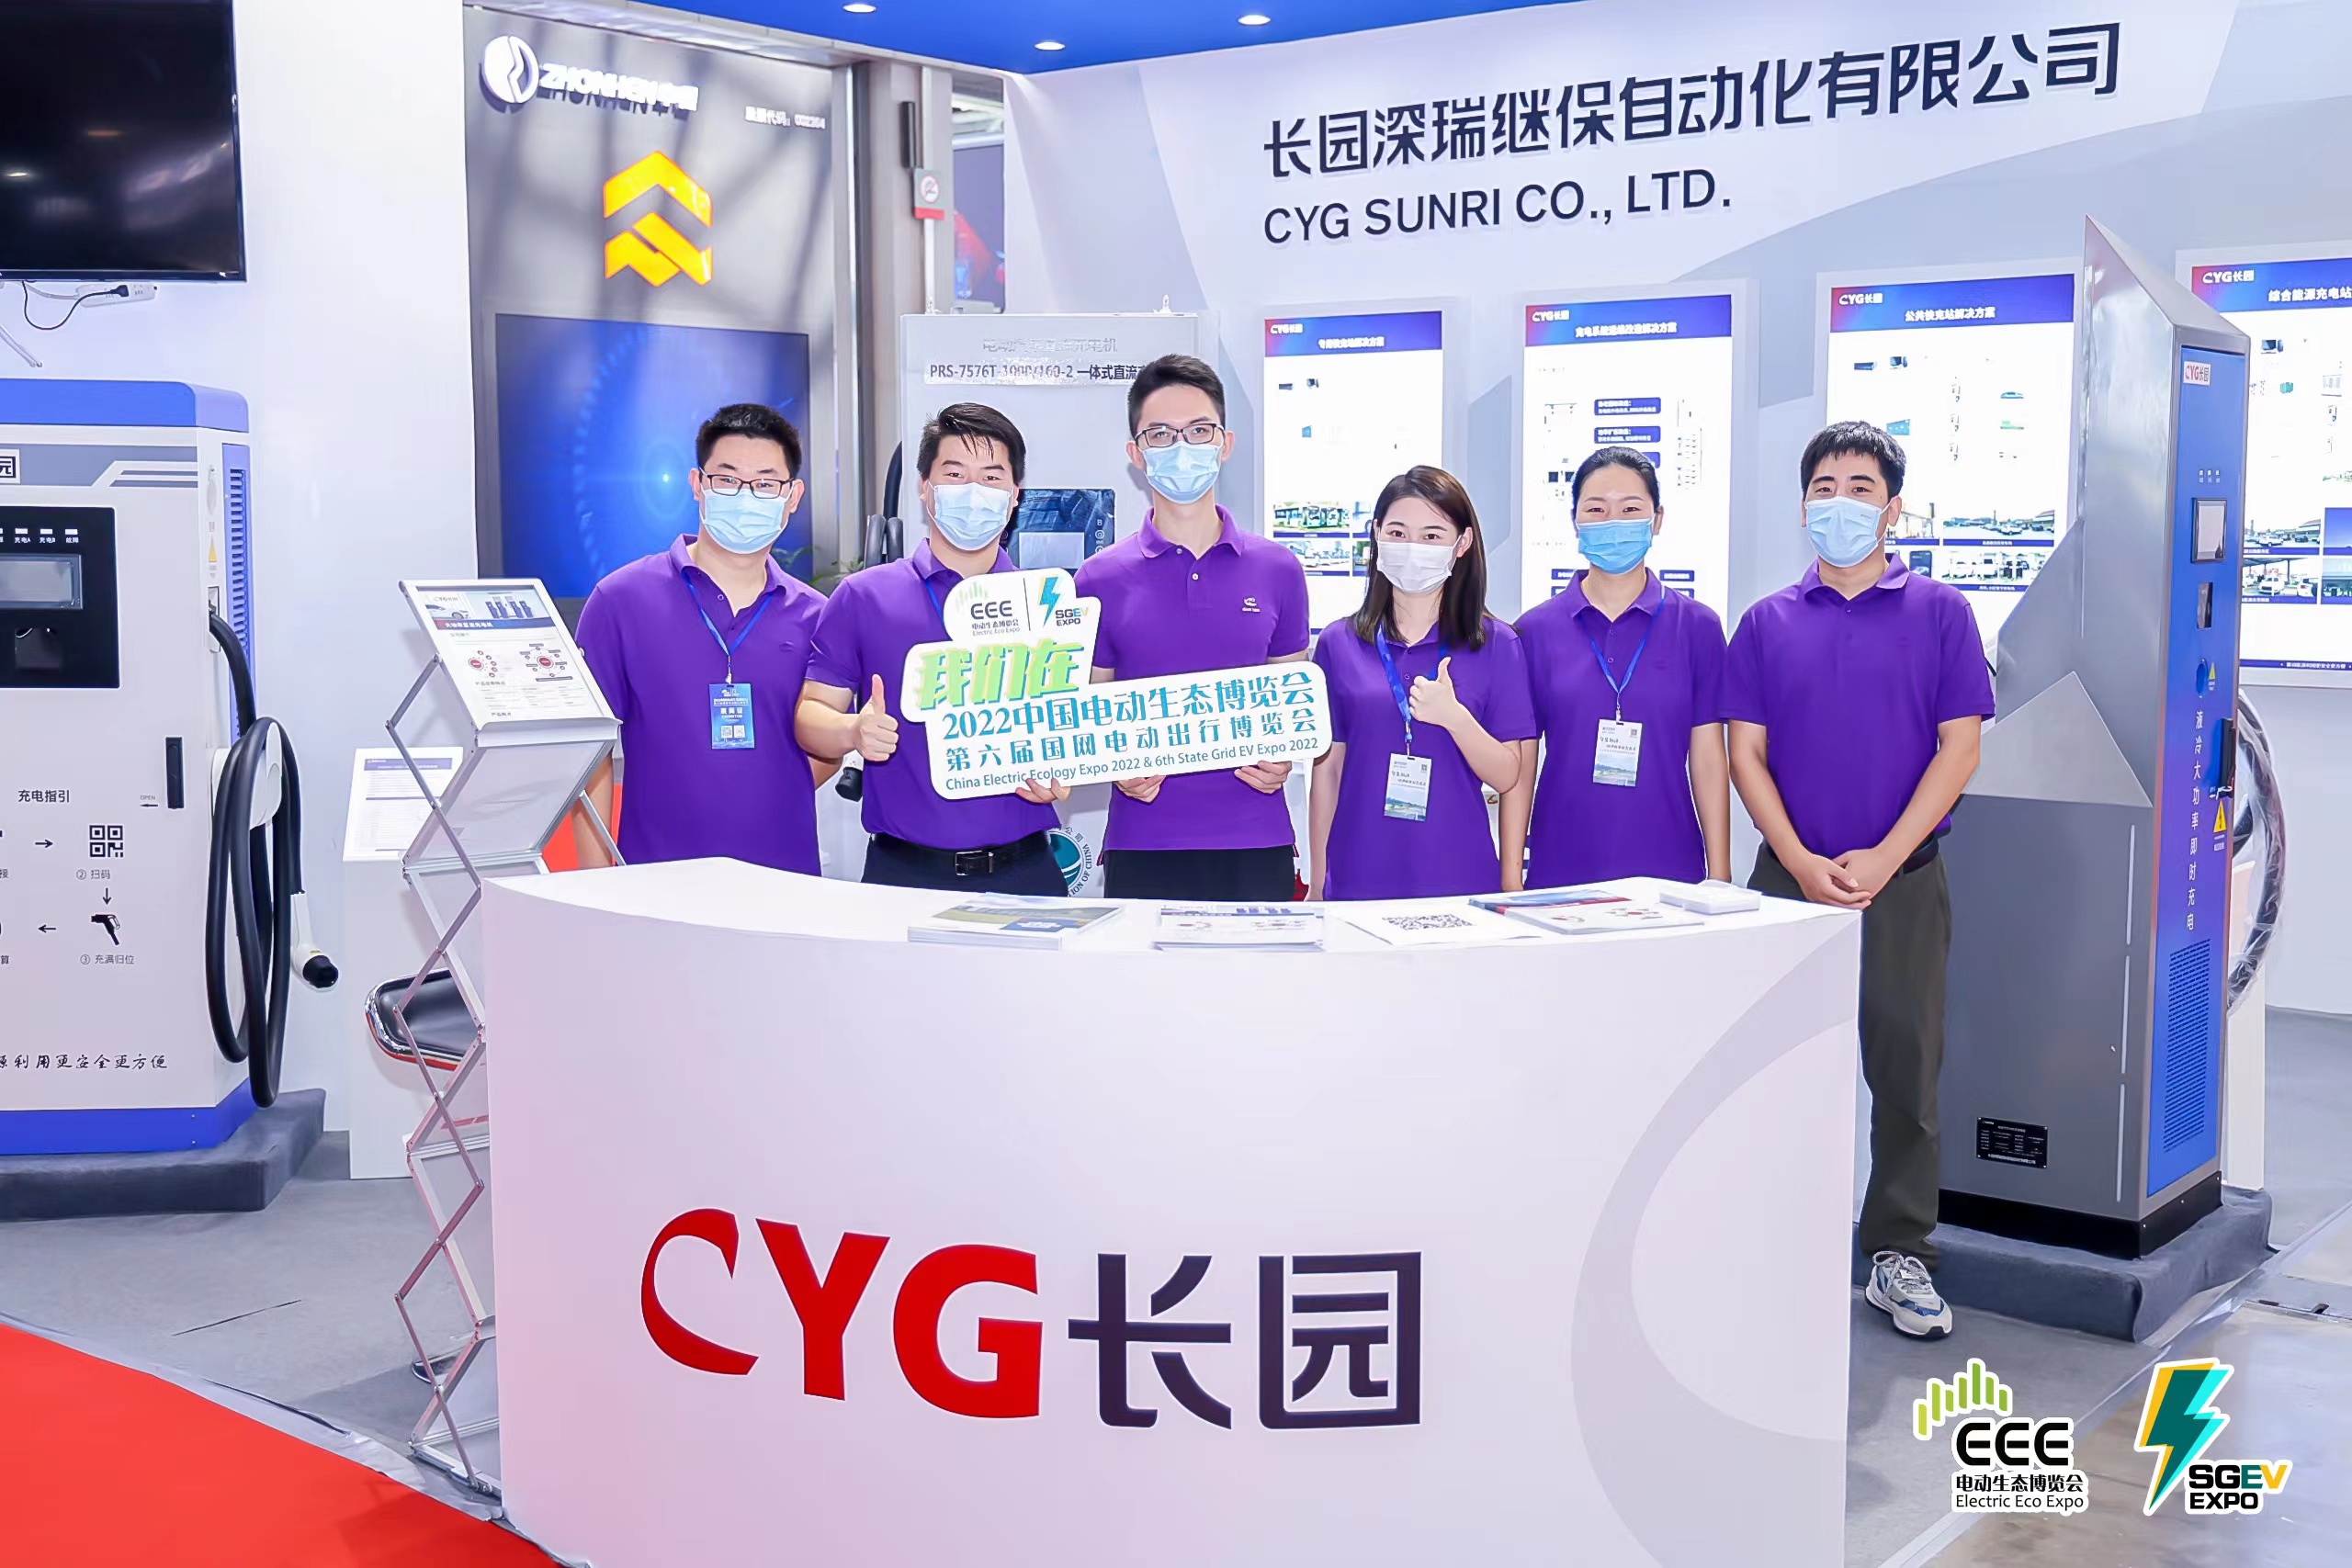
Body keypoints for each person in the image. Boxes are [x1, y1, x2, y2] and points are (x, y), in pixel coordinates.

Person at [1722, 420, 1994, 1341]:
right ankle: (1769, 1236)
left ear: (1893, 507)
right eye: (1825, 487)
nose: (1840, 502)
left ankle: (1897, 1252)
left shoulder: (1941, 613)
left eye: (1860, 487)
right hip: (1786, 883)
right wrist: (1799, 860)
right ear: (1804, 504)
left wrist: (1883, 855)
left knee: (1905, 1068)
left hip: (1901, 879)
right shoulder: (1766, 622)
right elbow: (1745, 755)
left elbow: (1959, 748)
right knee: (1773, 1067)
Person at [797, 403, 1070, 894]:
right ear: (925, 488)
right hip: (904, 874)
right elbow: (811, 714)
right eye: (955, 474)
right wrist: (852, 730)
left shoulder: (1046, 604)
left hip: (1027, 872)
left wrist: (1065, 767)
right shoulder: (865, 596)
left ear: (1015, 496)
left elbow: (1071, 722)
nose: (974, 492)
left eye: (991, 477)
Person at [1076, 355, 1309, 901]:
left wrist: (1283, 756)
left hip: (1256, 840)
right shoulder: (1098, 578)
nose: (1181, 446)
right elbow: (1088, 712)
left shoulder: (1278, 570)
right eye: (1161, 434)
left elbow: (1289, 703)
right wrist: (1113, 764)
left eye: (1199, 430)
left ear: (1225, 443)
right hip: (1145, 841)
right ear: (1136, 454)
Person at [573, 403, 830, 873]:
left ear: (792, 496)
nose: (746, 497)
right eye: (727, 480)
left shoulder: (817, 616)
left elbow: (828, 746)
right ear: (698, 485)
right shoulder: (621, 601)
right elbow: (590, 755)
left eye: (766, 484)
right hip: (657, 881)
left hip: (785, 881)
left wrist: (762, 795)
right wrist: (595, 886)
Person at [1500, 447, 1729, 890]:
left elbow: (1707, 757)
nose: (1612, 522)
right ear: (1575, 521)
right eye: (1596, 509)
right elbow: (1522, 764)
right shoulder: (1534, 631)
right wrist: (1511, 874)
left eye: (1630, 509)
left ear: (1657, 520)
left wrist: (1719, 874)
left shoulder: (1698, 627)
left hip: (1670, 869)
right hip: (1561, 867)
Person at [1306, 467, 1533, 901]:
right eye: (1397, 533)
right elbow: (1327, 773)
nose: (1413, 548)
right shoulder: (1339, 643)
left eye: (1432, 536)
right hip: (1359, 877)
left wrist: (1455, 718)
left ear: (1462, 543)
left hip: (1459, 878)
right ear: (1376, 534)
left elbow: (1508, 775)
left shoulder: (1497, 644)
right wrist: (1318, 884)